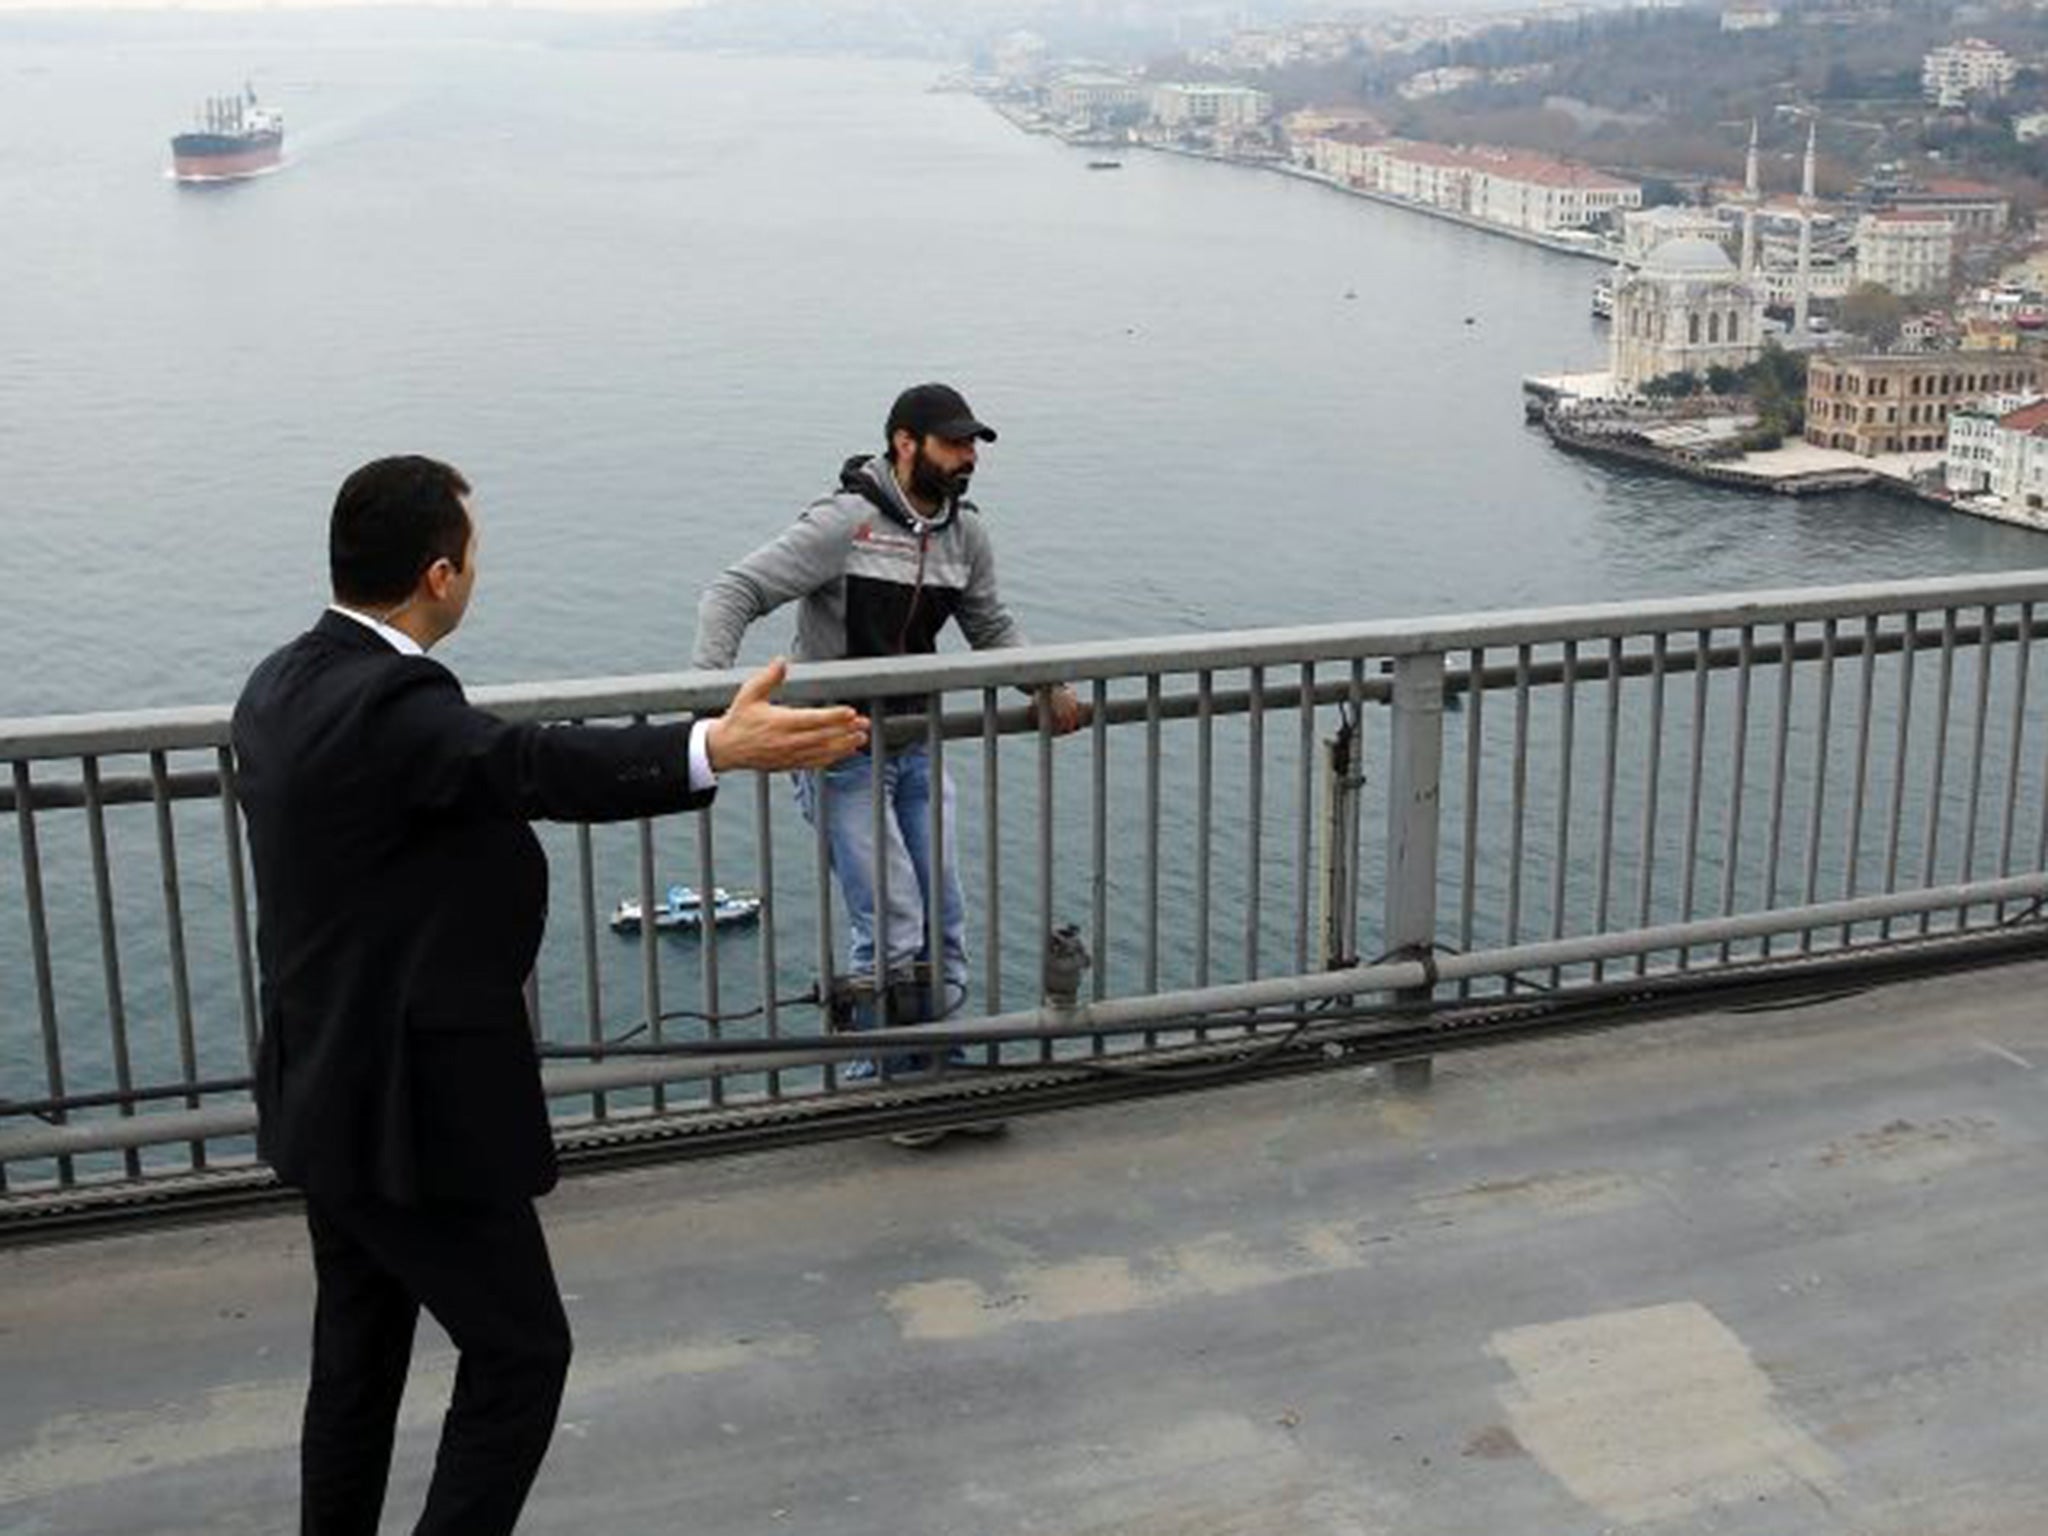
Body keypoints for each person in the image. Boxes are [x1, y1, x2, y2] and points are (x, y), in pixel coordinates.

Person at [232, 455, 867, 1536]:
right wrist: (713, 745)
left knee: (356, 1358)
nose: (477, 569)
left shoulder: (281, 681)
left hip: (319, 1085)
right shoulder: (394, 701)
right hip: (409, 1111)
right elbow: (524, 765)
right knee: (521, 1355)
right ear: (440, 574)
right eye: (472, 553)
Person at [693, 383, 1081, 1082]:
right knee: (895, 922)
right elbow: (734, 590)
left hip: (916, 745)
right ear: (906, 443)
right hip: (839, 753)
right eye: (954, 443)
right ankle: (883, 1078)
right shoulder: (845, 524)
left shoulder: (966, 533)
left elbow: (989, 625)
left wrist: (1046, 687)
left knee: (943, 917)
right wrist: (712, 702)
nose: (968, 458)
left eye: (973, 446)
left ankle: (939, 1064)